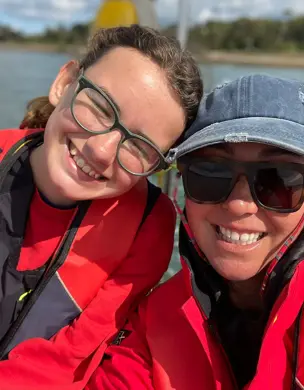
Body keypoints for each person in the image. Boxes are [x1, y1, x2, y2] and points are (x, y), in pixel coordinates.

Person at [85, 74, 304, 390]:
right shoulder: (153, 322)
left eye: (279, 180)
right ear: (182, 188)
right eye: (210, 174)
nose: (239, 206)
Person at [0, 25, 202, 388]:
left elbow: (68, 359)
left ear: (156, 168)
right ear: (65, 82)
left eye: (139, 147)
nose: (101, 150)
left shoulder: (146, 229)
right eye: (99, 107)